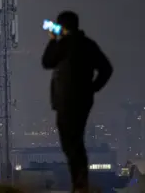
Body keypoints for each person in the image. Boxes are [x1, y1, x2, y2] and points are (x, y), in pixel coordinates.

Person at [41, 11, 113, 192]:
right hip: (83, 101)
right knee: (76, 141)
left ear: (62, 27)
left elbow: (47, 62)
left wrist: (52, 40)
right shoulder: (88, 45)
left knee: (70, 143)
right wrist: (92, 88)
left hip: (66, 101)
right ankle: (80, 183)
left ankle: (79, 184)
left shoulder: (64, 45)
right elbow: (106, 69)